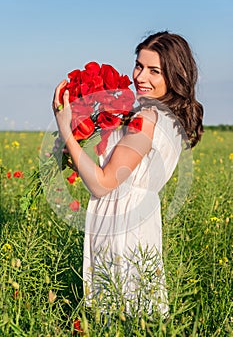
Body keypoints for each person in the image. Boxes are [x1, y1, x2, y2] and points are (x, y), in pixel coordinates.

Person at [52, 31, 204, 317]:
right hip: (141, 218)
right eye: (139, 65)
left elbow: (103, 184)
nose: (140, 77)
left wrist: (65, 131)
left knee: (116, 309)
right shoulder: (170, 119)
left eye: (154, 71)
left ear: (175, 75)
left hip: (121, 223)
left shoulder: (146, 119)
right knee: (139, 309)